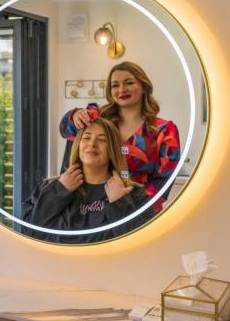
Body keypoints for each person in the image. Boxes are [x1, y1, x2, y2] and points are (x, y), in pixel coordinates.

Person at [59, 61, 180, 211]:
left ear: (144, 87)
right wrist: (75, 115)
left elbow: (164, 181)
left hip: (140, 211)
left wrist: (132, 209)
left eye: (129, 83)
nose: (122, 89)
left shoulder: (164, 130)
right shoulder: (98, 118)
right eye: (115, 85)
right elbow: (65, 129)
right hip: (94, 208)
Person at [24, 117, 155, 244]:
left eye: (102, 140)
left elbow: (141, 245)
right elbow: (28, 233)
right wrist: (58, 191)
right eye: (86, 138)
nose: (92, 144)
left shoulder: (134, 193)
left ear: (113, 149)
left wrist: (119, 202)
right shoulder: (49, 187)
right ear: (78, 145)